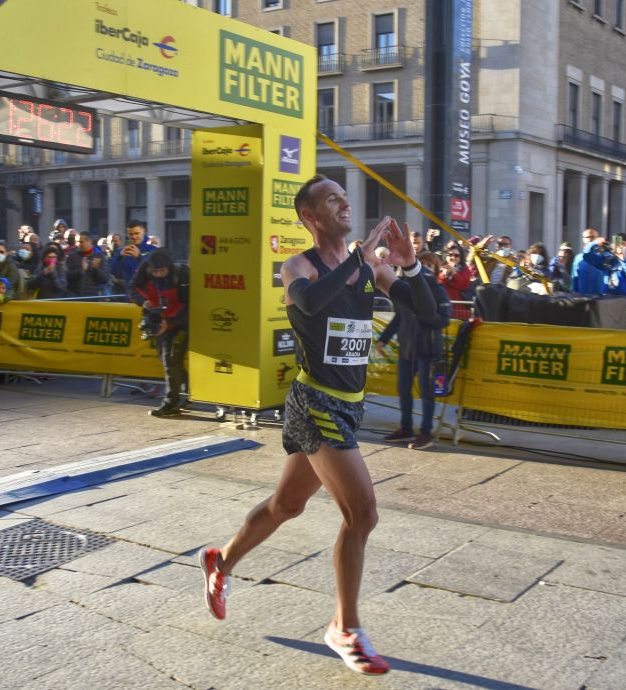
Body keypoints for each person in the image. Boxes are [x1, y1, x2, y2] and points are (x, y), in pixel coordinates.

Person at [197, 175, 437, 676]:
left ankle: (221, 563)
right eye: (333, 199)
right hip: (315, 404)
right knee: (363, 514)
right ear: (310, 216)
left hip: (350, 402)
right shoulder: (299, 266)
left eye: (345, 197)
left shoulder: (369, 269)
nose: (346, 203)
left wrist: (409, 263)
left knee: (287, 504)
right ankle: (344, 627)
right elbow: (310, 302)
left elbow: (429, 313)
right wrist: (362, 257)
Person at [376, 250, 452, 450]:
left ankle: (425, 433)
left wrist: (424, 315)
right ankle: (406, 428)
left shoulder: (438, 290)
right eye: (423, 264)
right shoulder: (406, 288)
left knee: (427, 393)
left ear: (435, 270)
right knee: (403, 390)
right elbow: (399, 317)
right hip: (406, 349)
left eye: (430, 265)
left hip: (428, 350)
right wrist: (383, 339)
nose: (425, 268)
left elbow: (444, 319)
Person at [129, 248, 188, 417]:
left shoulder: (182, 274)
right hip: (159, 317)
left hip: (181, 322)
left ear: (169, 268)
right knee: (168, 360)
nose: (159, 274)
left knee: (169, 360)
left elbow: (190, 304)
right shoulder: (144, 268)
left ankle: (171, 403)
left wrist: (170, 323)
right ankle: (187, 393)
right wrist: (144, 302)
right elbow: (132, 287)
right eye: (155, 271)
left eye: (162, 271)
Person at [111, 220, 155, 299]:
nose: (134, 237)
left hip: (148, 298)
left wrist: (139, 257)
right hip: (130, 297)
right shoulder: (122, 251)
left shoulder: (153, 250)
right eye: (131, 234)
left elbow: (153, 272)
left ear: (143, 231)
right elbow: (113, 272)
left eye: (137, 233)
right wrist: (119, 257)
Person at [437, 242, 475, 319]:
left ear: (460, 257)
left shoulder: (465, 269)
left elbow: (464, 285)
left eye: (456, 255)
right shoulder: (440, 268)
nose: (453, 257)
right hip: (444, 307)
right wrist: (444, 274)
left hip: (459, 309)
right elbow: (439, 285)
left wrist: (454, 273)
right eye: (450, 255)